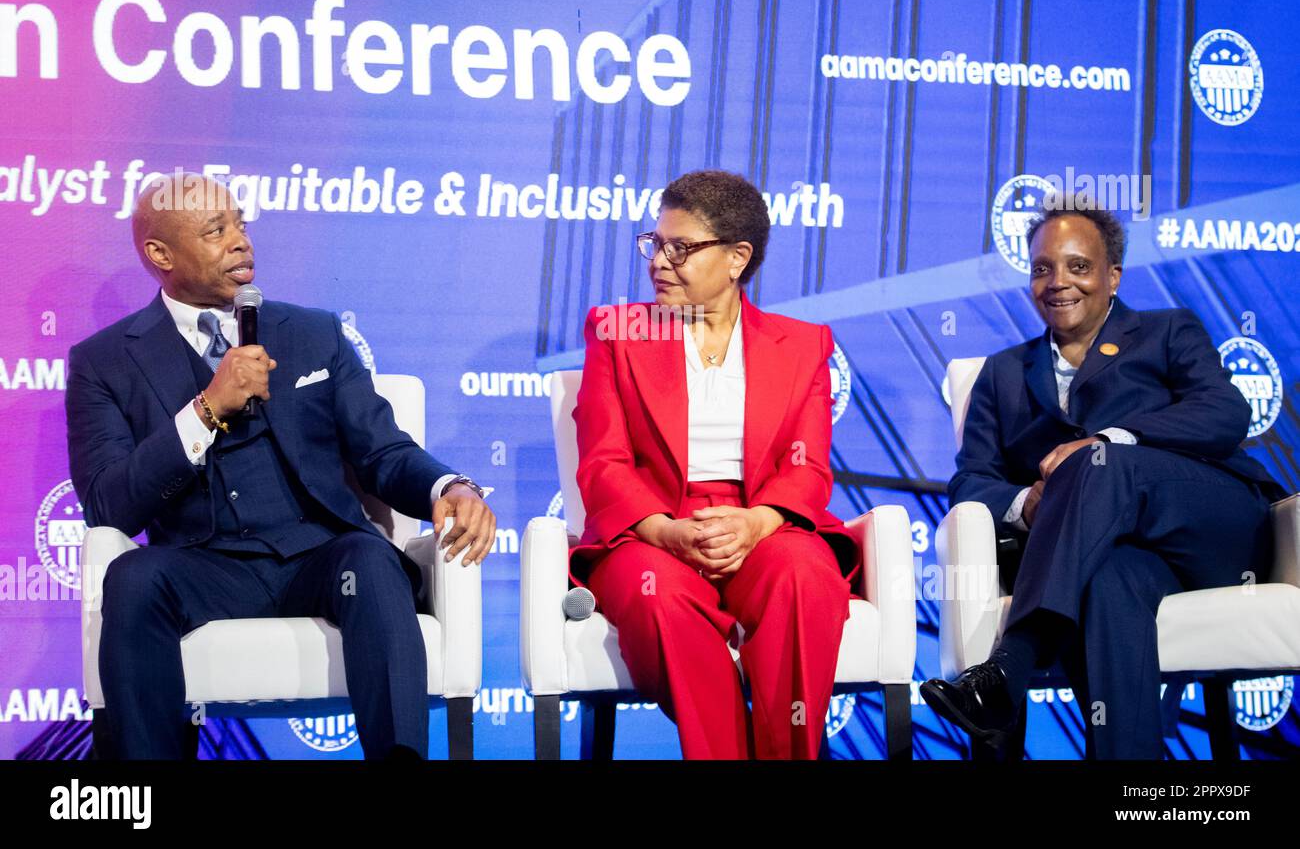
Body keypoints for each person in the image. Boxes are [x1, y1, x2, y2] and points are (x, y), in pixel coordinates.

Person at [66, 172, 496, 759]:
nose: (241, 242)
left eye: (241, 224)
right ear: (160, 254)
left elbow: (382, 450)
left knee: (372, 560)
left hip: (322, 557)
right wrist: (207, 408)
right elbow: (108, 501)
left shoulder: (313, 333)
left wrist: (450, 485)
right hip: (204, 568)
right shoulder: (104, 362)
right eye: (217, 231)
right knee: (134, 579)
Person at [921, 197, 1287, 759]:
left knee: (1096, 462)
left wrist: (1113, 440)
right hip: (1104, 557)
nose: (1058, 281)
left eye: (1078, 266)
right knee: (1110, 584)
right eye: (1042, 268)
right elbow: (971, 481)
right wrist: (1029, 505)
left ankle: (1011, 666)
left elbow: (1225, 414)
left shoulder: (1167, 332)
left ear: (1112, 276)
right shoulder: (1002, 374)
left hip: (1209, 530)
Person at [569, 169, 860, 759]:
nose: (658, 261)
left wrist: (756, 523)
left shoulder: (803, 345)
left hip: (760, 527)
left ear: (737, 258)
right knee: (657, 598)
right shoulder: (617, 334)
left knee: (804, 575)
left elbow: (806, 470)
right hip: (649, 533)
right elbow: (604, 463)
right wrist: (666, 532)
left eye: (681, 248)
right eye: (655, 243)